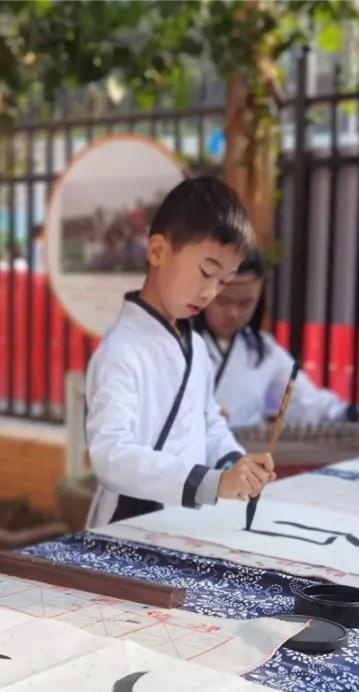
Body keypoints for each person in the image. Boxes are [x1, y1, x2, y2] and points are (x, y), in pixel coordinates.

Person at [84, 177, 275, 529]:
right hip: (127, 526)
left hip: (181, 522)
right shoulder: (122, 350)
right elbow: (110, 454)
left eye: (222, 281)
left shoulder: (195, 346)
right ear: (157, 251)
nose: (210, 292)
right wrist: (211, 483)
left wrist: (236, 463)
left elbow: (207, 423)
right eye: (206, 272)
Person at [195, 250, 359, 430]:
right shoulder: (178, 342)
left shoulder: (264, 352)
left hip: (238, 465)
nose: (233, 313)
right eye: (223, 301)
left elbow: (310, 405)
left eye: (245, 303)